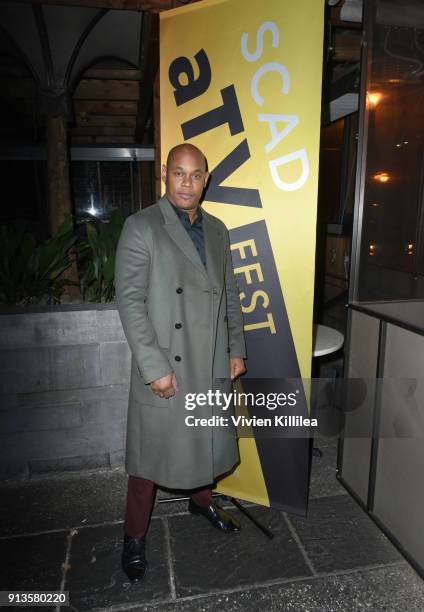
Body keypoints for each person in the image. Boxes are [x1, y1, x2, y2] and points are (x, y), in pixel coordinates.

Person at [115, 143, 246, 582]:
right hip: (167, 361)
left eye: (196, 175)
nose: (187, 183)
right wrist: (153, 367)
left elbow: (230, 296)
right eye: (179, 173)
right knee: (150, 455)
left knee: (204, 438)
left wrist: (235, 349)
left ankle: (202, 500)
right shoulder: (141, 227)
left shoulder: (219, 230)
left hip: (207, 356)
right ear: (165, 176)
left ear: (206, 179)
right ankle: (134, 536)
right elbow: (130, 302)